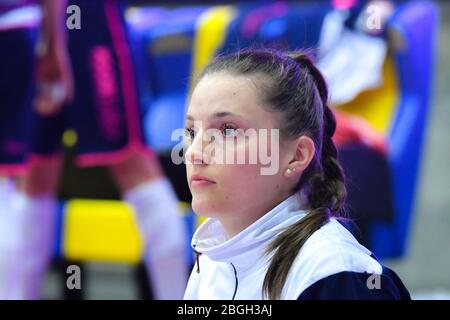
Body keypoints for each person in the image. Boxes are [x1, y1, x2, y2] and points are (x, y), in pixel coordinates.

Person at [182, 48, 411, 300]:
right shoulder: (212, 261)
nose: (194, 153)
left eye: (227, 130)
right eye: (192, 132)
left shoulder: (336, 275)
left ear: (297, 155)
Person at [1, 0, 188, 300]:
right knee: (30, 173)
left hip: (83, 20)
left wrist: (53, 42)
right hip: (34, 23)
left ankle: (178, 298)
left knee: (130, 161)